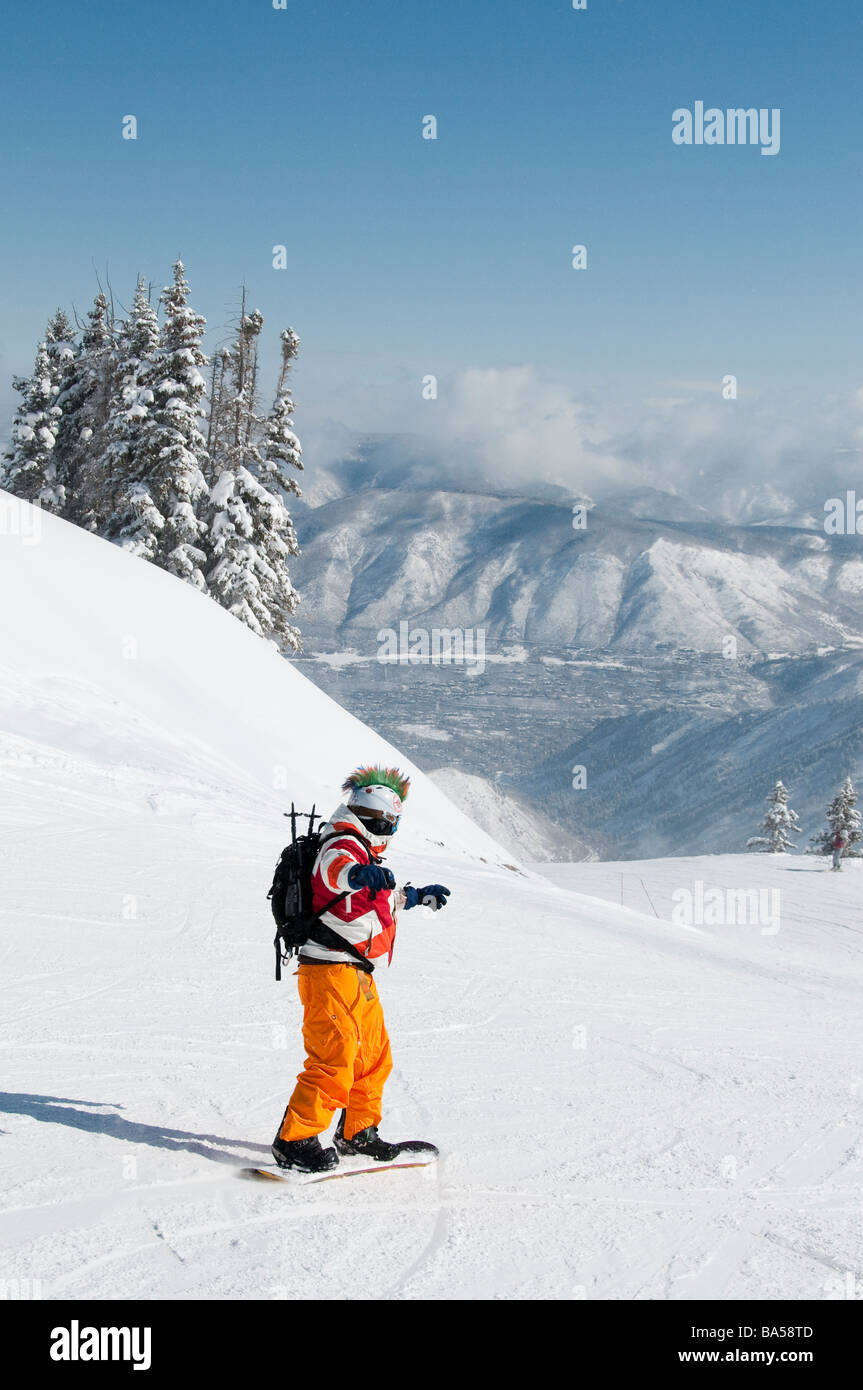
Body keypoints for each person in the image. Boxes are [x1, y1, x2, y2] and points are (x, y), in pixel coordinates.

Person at [272, 766, 451, 1172]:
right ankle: (295, 1140)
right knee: (334, 1056)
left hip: (356, 972)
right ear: (376, 819)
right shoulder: (341, 844)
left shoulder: (364, 851)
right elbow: (334, 874)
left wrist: (416, 896)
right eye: (390, 822)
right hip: (329, 970)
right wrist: (356, 873)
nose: (391, 829)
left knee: (373, 1056)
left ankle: (357, 1131)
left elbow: (372, 901)